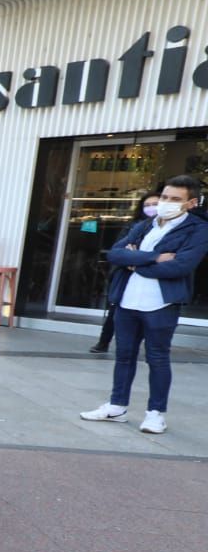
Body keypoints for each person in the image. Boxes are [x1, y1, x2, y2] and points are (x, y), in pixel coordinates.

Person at [80, 175, 207, 435]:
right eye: (164, 197)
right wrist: (154, 258)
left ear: (191, 203)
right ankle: (116, 407)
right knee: (124, 356)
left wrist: (135, 263)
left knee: (157, 358)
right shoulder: (145, 225)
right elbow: (115, 253)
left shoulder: (198, 229)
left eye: (175, 199)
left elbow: (181, 265)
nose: (166, 203)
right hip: (126, 301)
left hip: (160, 303)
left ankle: (155, 414)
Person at [90, 191, 161, 353]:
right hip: (126, 274)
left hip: (151, 276)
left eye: (155, 204)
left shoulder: (166, 229)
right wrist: (136, 258)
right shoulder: (134, 226)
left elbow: (163, 255)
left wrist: (137, 257)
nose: (151, 208)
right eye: (147, 205)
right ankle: (103, 342)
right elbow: (119, 251)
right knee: (115, 309)